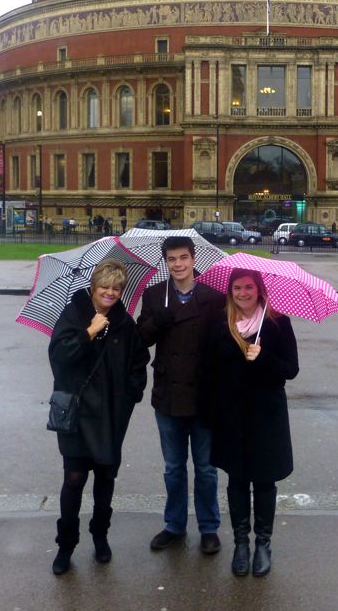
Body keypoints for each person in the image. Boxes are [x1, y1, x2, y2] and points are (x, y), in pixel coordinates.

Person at [48, 259, 149, 575]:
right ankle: (66, 544)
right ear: (93, 287)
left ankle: (100, 535)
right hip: (78, 414)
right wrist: (89, 332)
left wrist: (130, 397)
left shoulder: (123, 322)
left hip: (110, 415)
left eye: (116, 288)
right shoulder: (74, 313)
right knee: (74, 479)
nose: (110, 293)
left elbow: (138, 362)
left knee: (105, 479)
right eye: (105, 286)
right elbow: (59, 358)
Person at [206, 268, 299, 578]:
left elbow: (290, 369)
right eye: (237, 288)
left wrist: (263, 359)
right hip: (232, 414)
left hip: (265, 414)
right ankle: (241, 544)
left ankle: (263, 543)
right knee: (236, 480)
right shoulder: (221, 322)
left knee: (263, 480)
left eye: (248, 287)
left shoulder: (277, 322)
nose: (242, 293)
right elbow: (211, 367)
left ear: (259, 290)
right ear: (230, 290)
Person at [137, 235, 226, 555]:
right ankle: (174, 525)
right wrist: (156, 322)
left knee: (205, 468)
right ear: (166, 262)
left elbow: (223, 342)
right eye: (172, 259)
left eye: (183, 258)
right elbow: (140, 340)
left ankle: (209, 527)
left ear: (193, 259)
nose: (178, 265)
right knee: (173, 468)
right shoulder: (153, 295)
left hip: (203, 395)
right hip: (168, 394)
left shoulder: (213, 296)